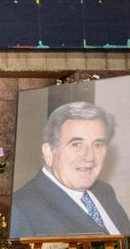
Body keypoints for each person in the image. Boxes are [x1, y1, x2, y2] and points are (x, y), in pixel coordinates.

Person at [9, 101, 130, 238]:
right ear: (49, 152)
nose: (90, 156)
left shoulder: (104, 192)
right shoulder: (20, 211)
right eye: (76, 144)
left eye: (98, 144)